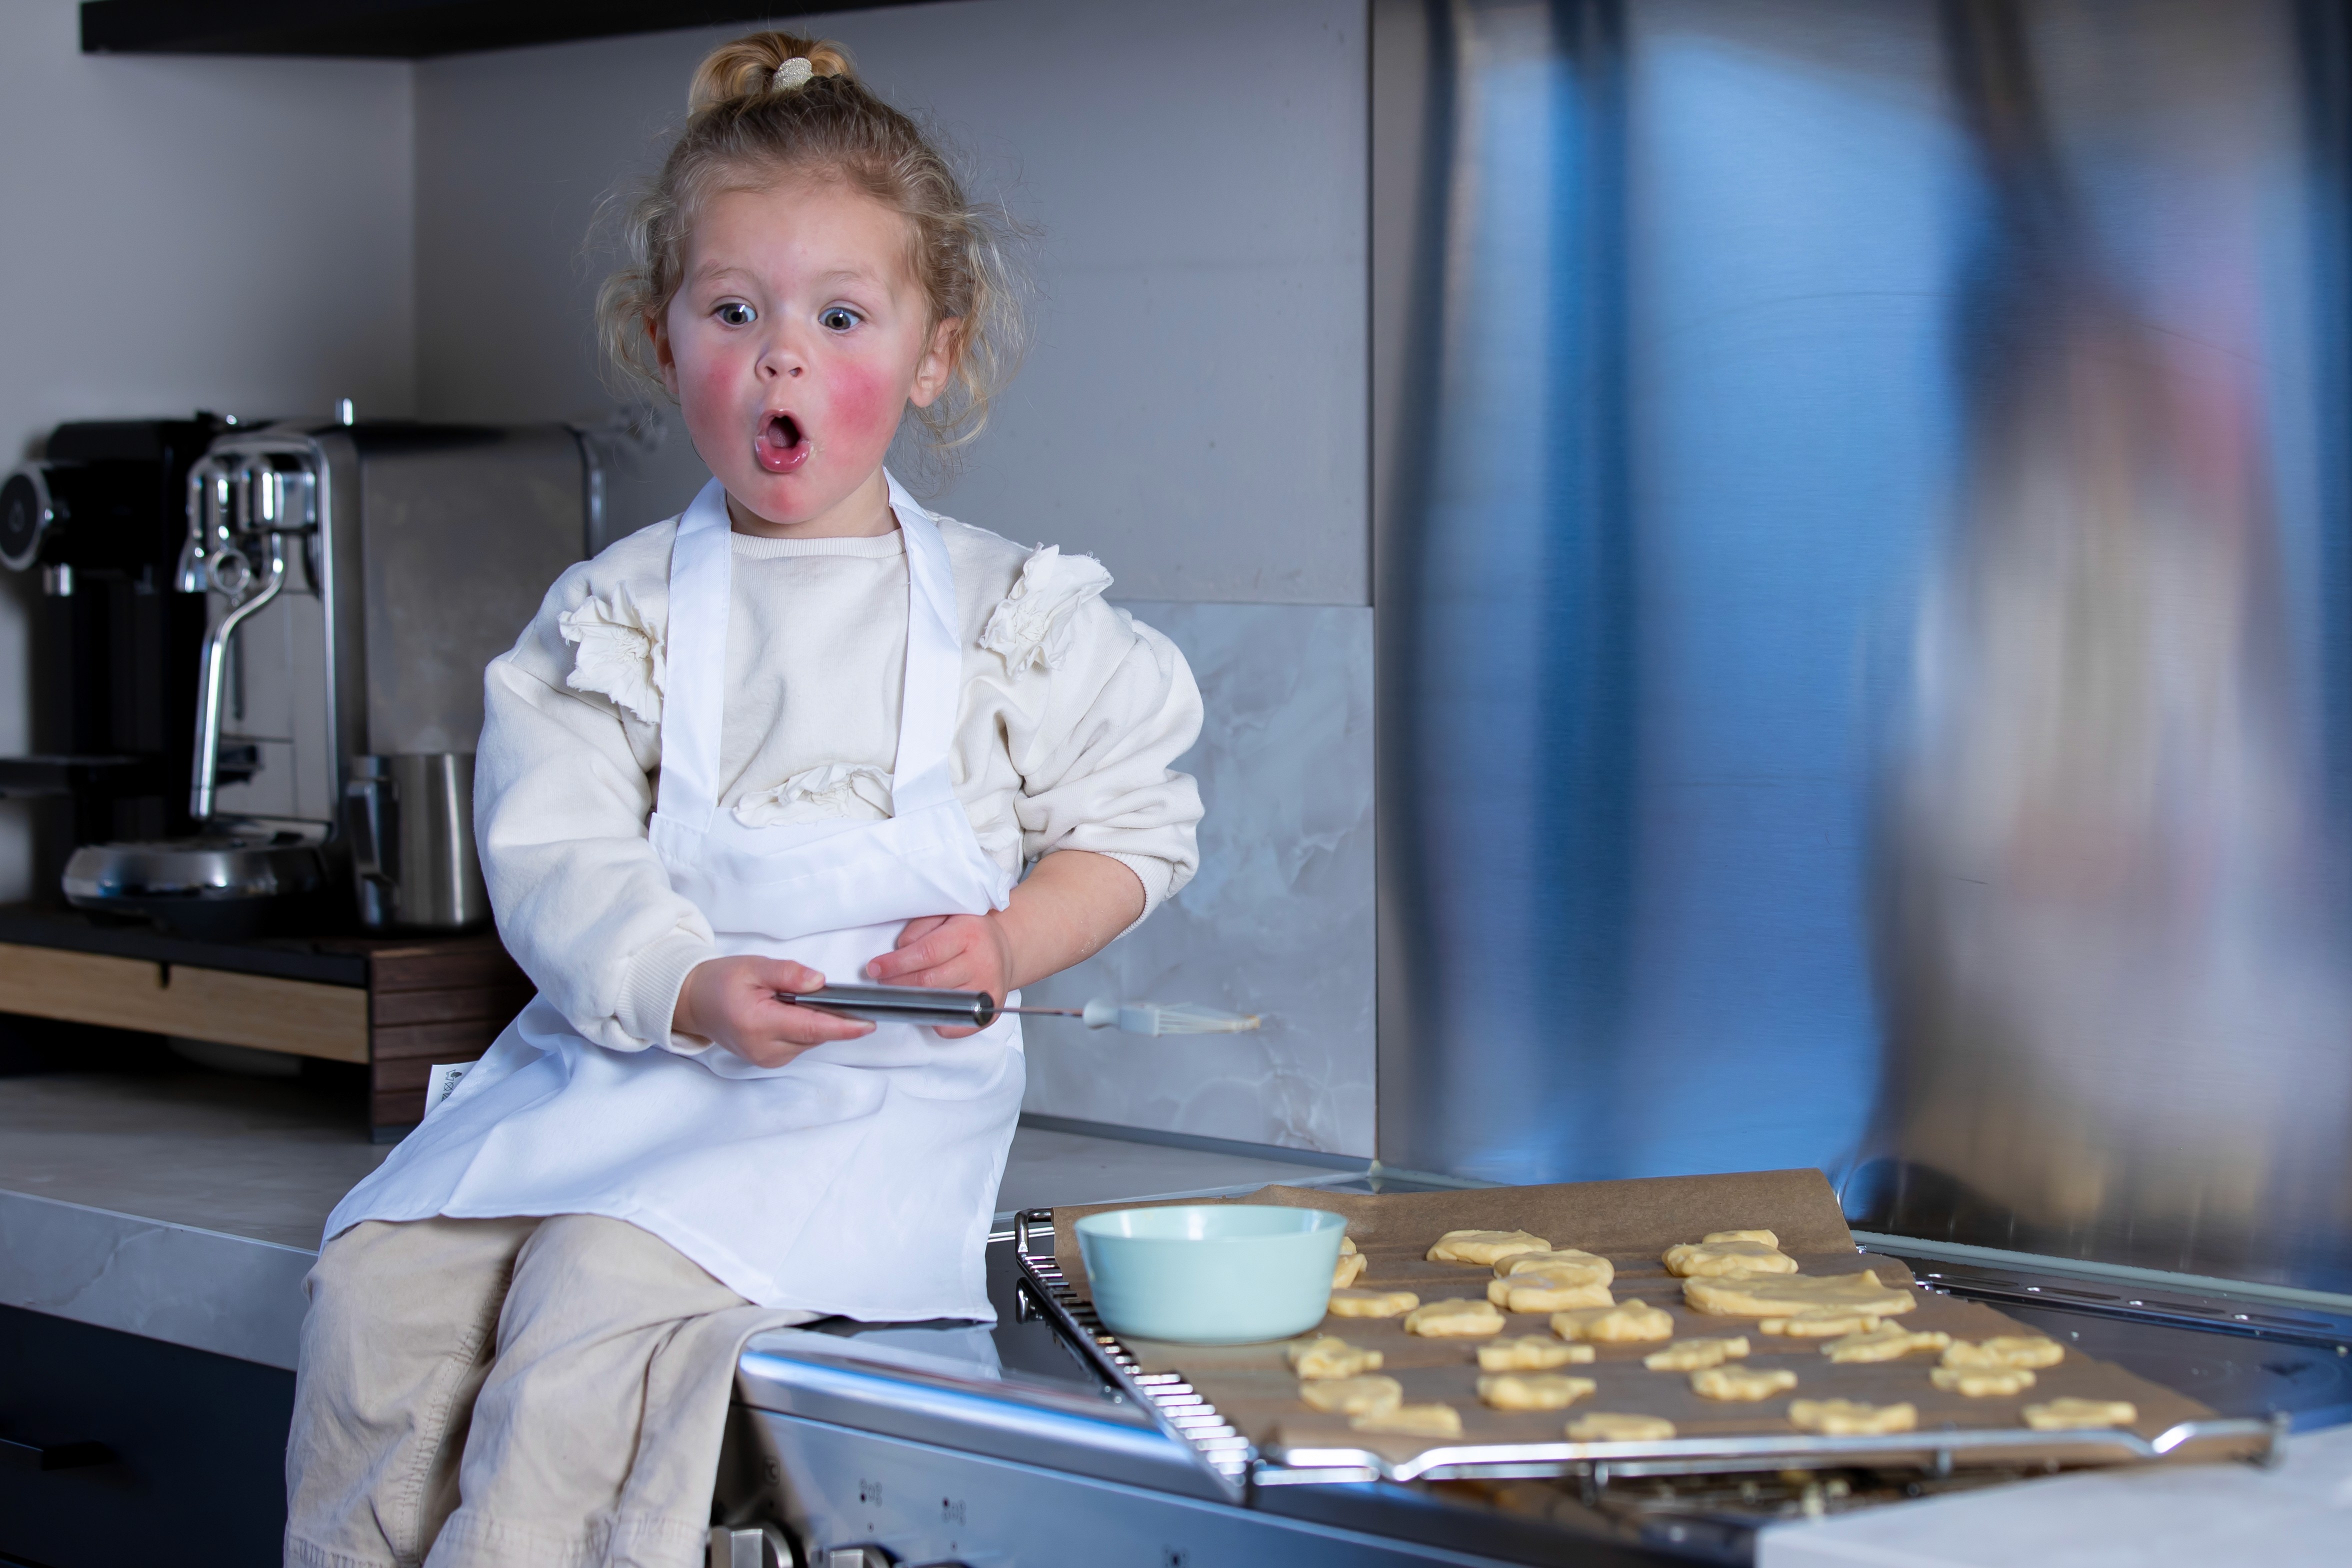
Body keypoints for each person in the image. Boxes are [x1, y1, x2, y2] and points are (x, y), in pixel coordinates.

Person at [282, 32, 1203, 1568]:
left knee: (600, 1299)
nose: (782, 354)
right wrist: (687, 985)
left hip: (861, 1098)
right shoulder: (615, 614)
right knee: (377, 1287)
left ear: (933, 354)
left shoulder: (1009, 615)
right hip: (626, 1058)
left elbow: (1134, 825)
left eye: (840, 316)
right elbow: (558, 853)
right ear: (664, 342)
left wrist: (1007, 945)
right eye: (735, 311)